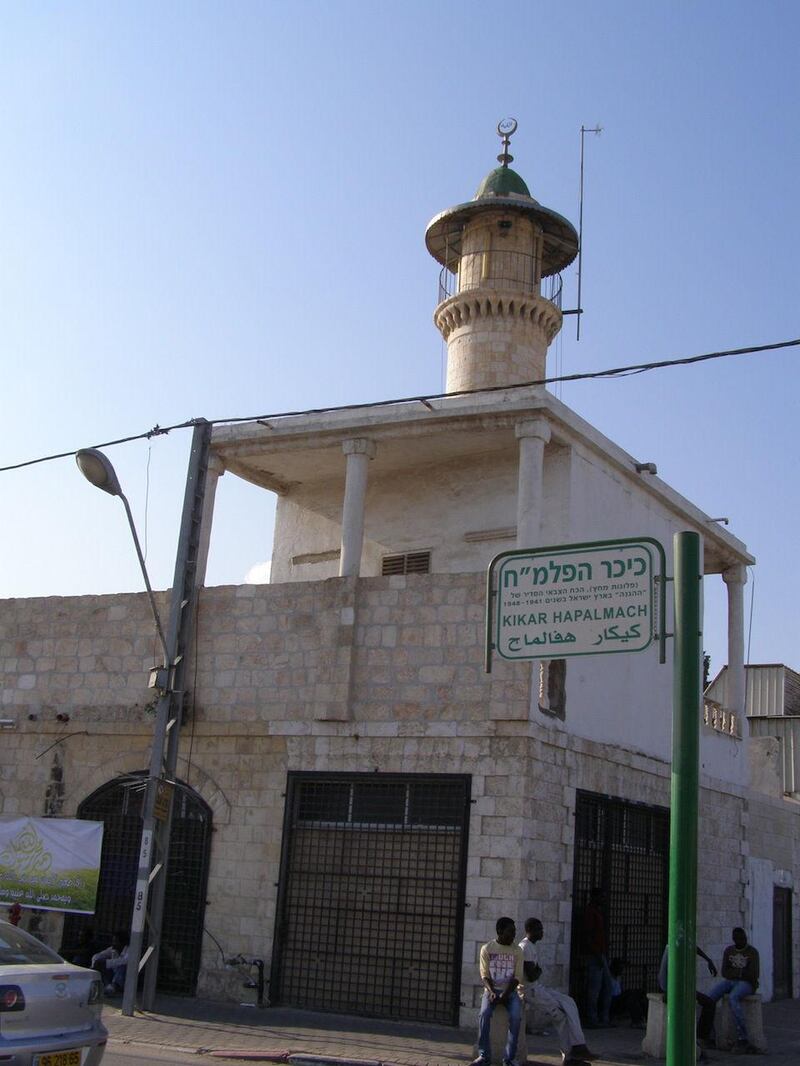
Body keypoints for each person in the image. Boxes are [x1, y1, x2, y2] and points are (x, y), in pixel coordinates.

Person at [520, 918, 595, 1065]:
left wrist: (537, 971)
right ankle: (570, 1056)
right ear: (531, 930)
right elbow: (532, 974)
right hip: (530, 991)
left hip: (537, 987)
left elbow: (536, 972)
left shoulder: (531, 946)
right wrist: (537, 971)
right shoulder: (525, 947)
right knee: (560, 1016)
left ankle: (579, 1045)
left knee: (569, 1002)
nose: (542, 932)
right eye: (539, 929)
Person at [471, 917, 524, 1066]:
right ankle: (484, 1056)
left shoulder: (517, 951)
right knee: (484, 1014)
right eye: (510, 932)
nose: (513, 935)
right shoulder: (487, 949)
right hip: (491, 990)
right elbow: (484, 974)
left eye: (514, 932)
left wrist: (505, 995)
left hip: (511, 992)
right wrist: (492, 992)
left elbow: (517, 977)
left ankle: (509, 1058)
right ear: (500, 931)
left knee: (515, 1017)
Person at [707, 928, 761, 1054]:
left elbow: (753, 974)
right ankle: (709, 1034)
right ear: (734, 939)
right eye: (738, 939)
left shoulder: (752, 952)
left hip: (748, 984)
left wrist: (736, 973)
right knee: (709, 998)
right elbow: (725, 972)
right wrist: (741, 972)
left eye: (743, 938)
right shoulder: (729, 951)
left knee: (733, 997)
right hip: (731, 981)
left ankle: (743, 1037)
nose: (741, 941)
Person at [657, 942, 718, 1044]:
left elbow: (693, 947)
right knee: (705, 1003)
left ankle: (701, 1036)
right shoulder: (671, 948)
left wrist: (708, 960)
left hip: (682, 988)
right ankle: (698, 1038)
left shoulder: (682, 946)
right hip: (671, 989)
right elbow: (664, 977)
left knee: (709, 1003)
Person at [581, 888, 612, 1027]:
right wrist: (597, 953)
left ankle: (603, 1018)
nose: (603, 900)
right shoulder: (590, 913)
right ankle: (592, 1019)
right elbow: (587, 936)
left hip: (601, 953)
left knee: (606, 987)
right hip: (595, 955)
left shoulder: (597, 912)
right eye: (601, 897)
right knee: (595, 989)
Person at [91, 930, 129, 996]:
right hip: (113, 976)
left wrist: (106, 963)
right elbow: (96, 956)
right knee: (100, 963)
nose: (113, 943)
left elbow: (125, 961)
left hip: (126, 979)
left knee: (121, 966)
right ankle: (109, 987)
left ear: (122, 943)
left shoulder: (130, 950)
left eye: (115, 941)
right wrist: (96, 963)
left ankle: (113, 987)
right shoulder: (113, 949)